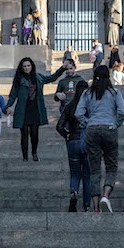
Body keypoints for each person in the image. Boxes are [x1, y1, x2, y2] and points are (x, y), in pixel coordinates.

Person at [75, 65, 124, 212]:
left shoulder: (87, 93)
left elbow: (78, 113)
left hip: (92, 130)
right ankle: (105, 196)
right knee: (111, 166)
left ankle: (96, 207)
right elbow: (123, 111)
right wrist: (115, 123)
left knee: (94, 170)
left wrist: (88, 123)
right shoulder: (114, 92)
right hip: (109, 129)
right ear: (108, 76)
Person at [4, 57, 66, 161]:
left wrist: (62, 68)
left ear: (32, 66)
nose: (26, 68)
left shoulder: (38, 77)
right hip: (23, 110)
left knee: (34, 134)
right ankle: (24, 157)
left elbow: (52, 78)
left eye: (28, 65)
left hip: (35, 109)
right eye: (24, 66)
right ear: (21, 68)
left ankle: (34, 152)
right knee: (24, 135)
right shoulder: (19, 80)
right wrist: (7, 106)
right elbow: (13, 95)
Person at [55, 79, 91, 212]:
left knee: (74, 174)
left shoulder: (69, 105)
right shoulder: (90, 106)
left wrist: (67, 135)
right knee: (87, 175)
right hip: (87, 142)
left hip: (73, 142)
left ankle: (74, 193)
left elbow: (59, 126)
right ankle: (87, 204)